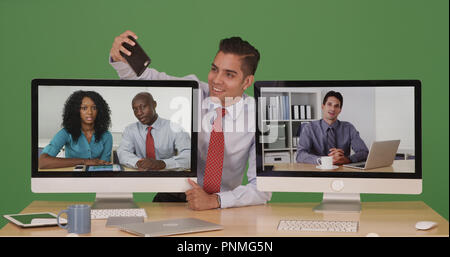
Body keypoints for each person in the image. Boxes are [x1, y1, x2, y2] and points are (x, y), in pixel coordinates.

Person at [109, 30, 271, 210]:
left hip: (224, 203)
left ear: (247, 81)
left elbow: (262, 188)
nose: (216, 80)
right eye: (214, 69)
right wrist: (122, 59)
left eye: (229, 75)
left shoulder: (258, 116)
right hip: (174, 198)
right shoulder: (192, 92)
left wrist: (215, 201)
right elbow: (147, 79)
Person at [117, 92, 191, 171]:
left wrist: (162, 164)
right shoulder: (130, 130)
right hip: (141, 175)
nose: (139, 113)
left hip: (166, 176)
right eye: (135, 109)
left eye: (143, 107)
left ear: (154, 104)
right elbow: (123, 152)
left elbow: (189, 155)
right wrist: (138, 162)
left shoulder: (175, 128)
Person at [39, 90, 113, 169]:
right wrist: (84, 161)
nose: (90, 112)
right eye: (84, 108)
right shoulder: (66, 133)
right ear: (76, 110)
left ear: (99, 111)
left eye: (94, 108)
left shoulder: (106, 136)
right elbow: (42, 162)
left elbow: (104, 166)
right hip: (72, 178)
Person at [296, 90, 369, 165]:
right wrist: (324, 160)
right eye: (329, 104)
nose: (332, 109)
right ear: (323, 106)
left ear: (340, 110)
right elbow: (300, 155)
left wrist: (347, 159)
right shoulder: (309, 128)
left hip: (342, 172)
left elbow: (364, 152)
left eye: (336, 106)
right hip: (317, 172)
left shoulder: (348, 128)